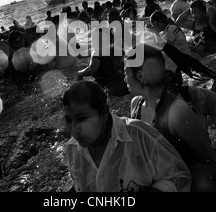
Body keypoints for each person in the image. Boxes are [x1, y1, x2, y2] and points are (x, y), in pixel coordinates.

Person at [63, 81, 192, 192]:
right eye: (68, 120)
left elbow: (181, 176)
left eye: (82, 118)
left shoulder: (139, 135)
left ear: (104, 113)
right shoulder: (71, 149)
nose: (74, 129)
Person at [124, 43, 216, 191]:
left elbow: (211, 164)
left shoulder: (177, 112)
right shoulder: (135, 105)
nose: (124, 79)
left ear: (141, 76)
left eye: (126, 73)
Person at [76, 27, 129, 96]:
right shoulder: (119, 50)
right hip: (125, 85)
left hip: (108, 88)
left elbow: (92, 69)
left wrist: (80, 73)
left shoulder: (97, 52)